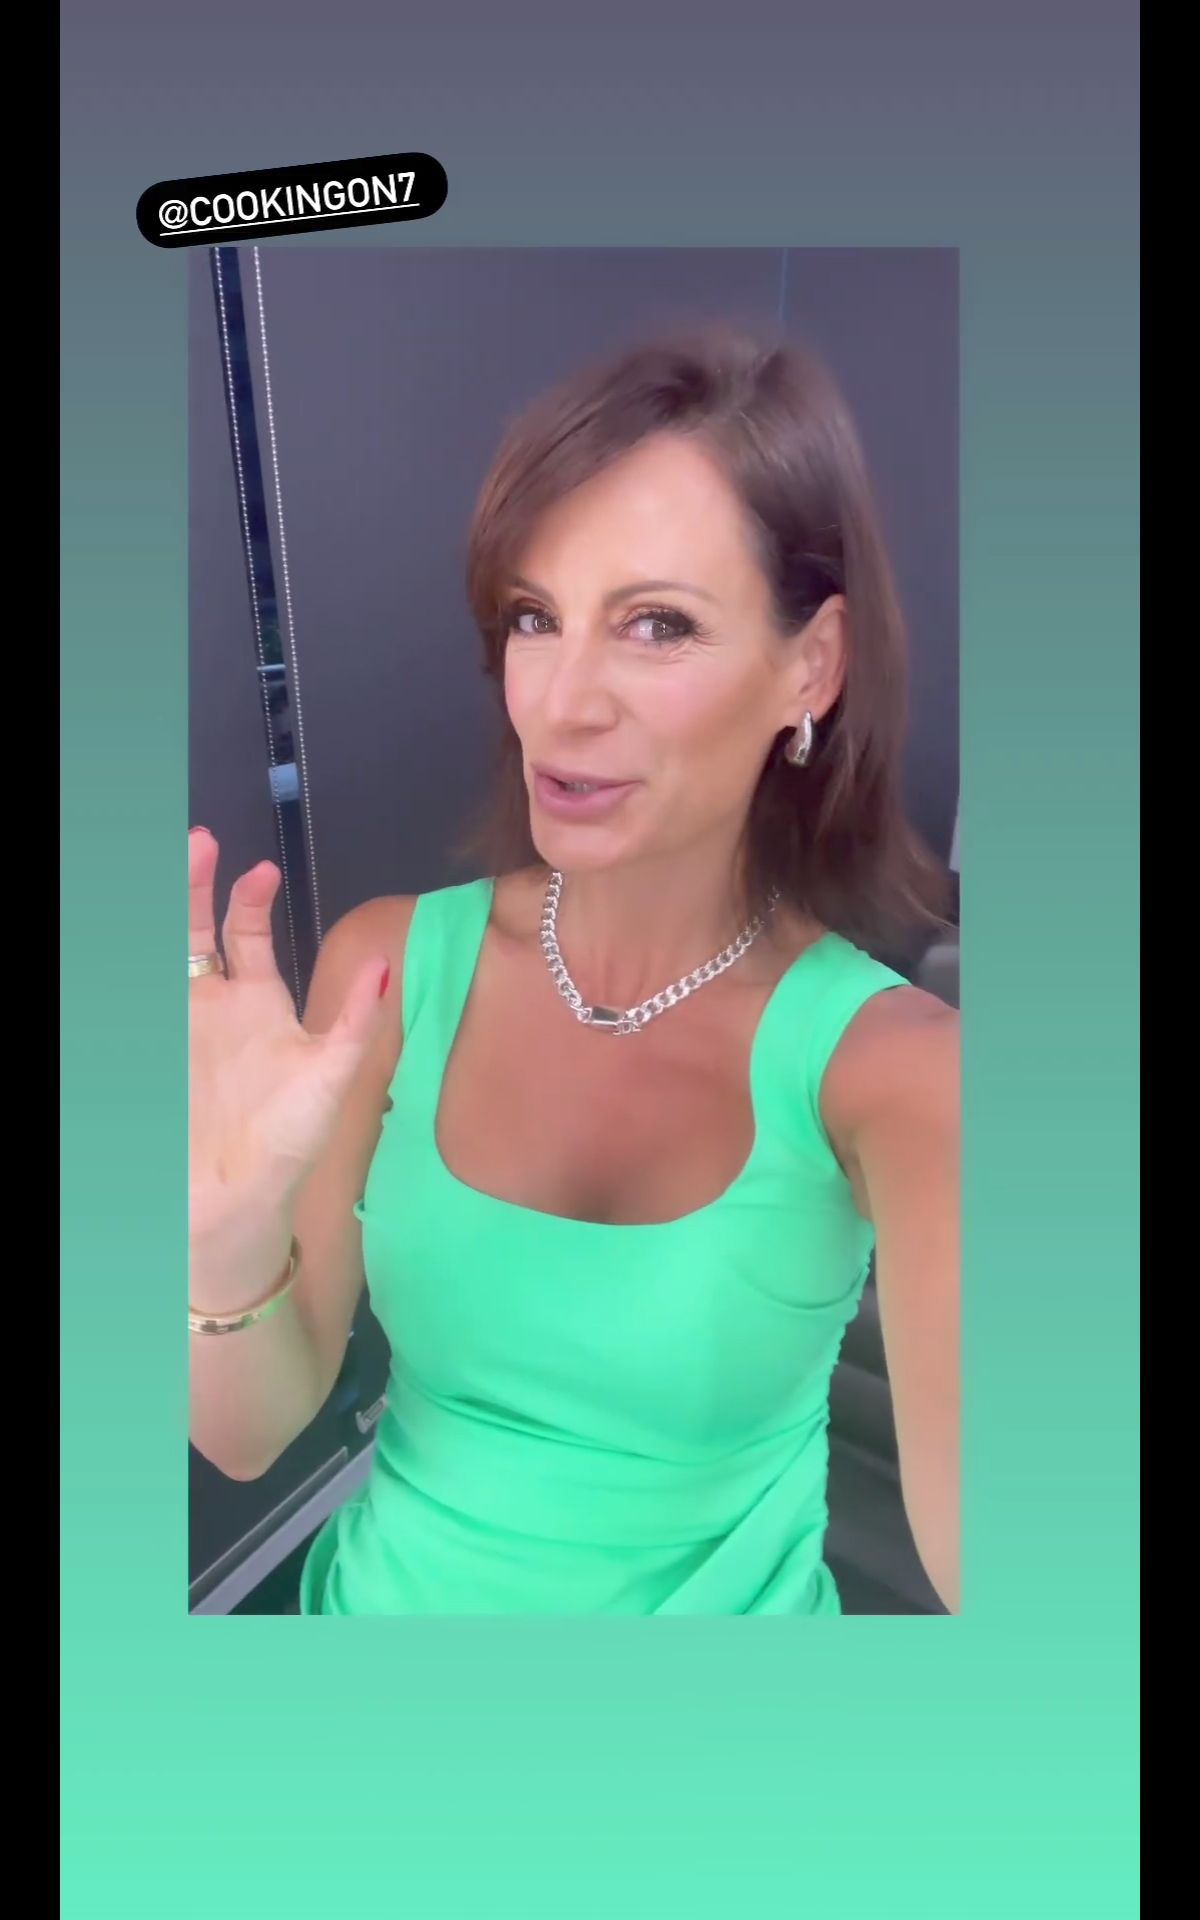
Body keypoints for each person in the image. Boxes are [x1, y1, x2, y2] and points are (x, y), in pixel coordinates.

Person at [188, 328, 960, 1616]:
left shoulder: (899, 1076)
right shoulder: (388, 970)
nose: (559, 703)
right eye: (535, 618)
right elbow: (249, 1435)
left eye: (659, 625)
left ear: (811, 666)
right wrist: (220, 1243)